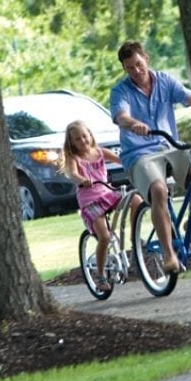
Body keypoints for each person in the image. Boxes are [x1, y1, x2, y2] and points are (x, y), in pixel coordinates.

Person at [109, 41, 191, 274]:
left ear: (146, 58)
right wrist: (133, 124)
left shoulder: (165, 81)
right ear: (125, 69)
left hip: (169, 146)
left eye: (138, 64)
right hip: (139, 154)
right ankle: (169, 255)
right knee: (159, 191)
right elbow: (121, 116)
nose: (136, 71)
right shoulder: (121, 91)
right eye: (129, 68)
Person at [59, 120, 131, 293]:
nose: (83, 141)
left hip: (107, 193)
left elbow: (121, 159)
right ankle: (100, 276)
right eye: (77, 139)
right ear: (72, 143)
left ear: (90, 135)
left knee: (134, 200)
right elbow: (73, 173)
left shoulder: (100, 152)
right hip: (90, 200)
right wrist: (82, 180)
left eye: (85, 136)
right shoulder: (73, 158)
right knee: (104, 237)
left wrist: (133, 163)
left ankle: (136, 239)